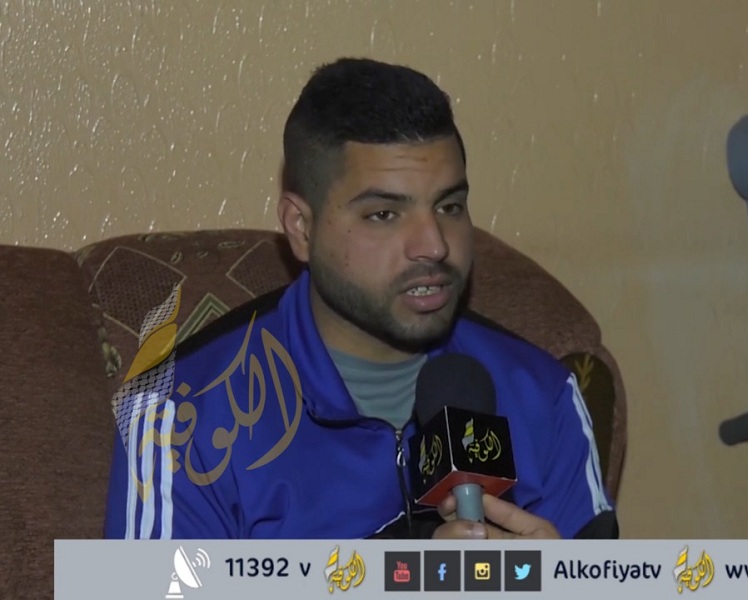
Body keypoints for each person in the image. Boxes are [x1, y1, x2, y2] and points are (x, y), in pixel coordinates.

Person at [102, 57, 617, 541]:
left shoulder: (544, 394)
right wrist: (403, 579)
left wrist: (553, 583)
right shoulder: (177, 415)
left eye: (449, 206)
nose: (434, 245)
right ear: (301, 228)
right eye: (384, 215)